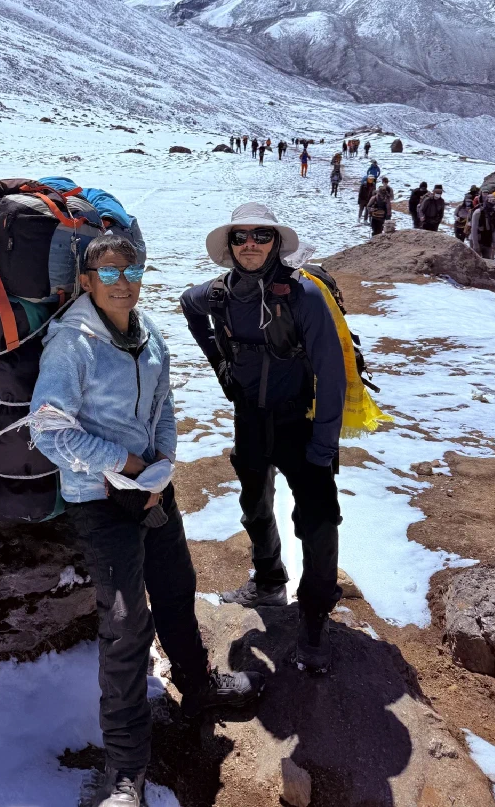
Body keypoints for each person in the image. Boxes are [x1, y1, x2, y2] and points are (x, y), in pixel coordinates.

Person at [29, 236, 264, 807]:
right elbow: (48, 429)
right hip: (99, 498)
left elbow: (163, 409)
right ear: (86, 280)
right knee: (127, 623)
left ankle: (199, 686)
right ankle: (125, 769)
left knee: (177, 587)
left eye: (131, 267)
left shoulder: (150, 333)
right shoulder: (71, 343)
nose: (122, 279)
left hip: (154, 493)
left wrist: (160, 469)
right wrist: (127, 465)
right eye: (108, 271)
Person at [180, 204, 345, 672]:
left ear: (275, 244)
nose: (250, 244)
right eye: (240, 237)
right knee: (255, 503)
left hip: (301, 422)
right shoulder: (215, 295)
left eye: (261, 236)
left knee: (317, 519)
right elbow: (187, 306)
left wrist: (324, 445)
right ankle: (269, 580)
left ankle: (314, 615)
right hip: (249, 418)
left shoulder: (304, 296)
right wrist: (221, 366)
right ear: (229, 246)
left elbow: (331, 374)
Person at [470, 193, 495, 259]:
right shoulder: (478, 212)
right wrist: (475, 244)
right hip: (478, 239)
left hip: (488, 240)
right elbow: (474, 229)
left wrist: (494, 241)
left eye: (494, 201)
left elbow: (494, 228)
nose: (493, 203)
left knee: (487, 261)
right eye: (492, 201)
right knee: (476, 261)